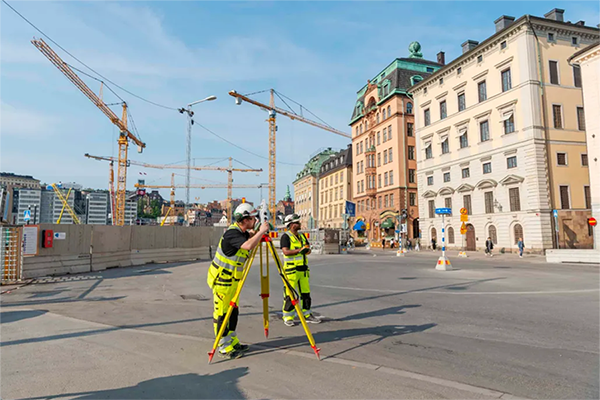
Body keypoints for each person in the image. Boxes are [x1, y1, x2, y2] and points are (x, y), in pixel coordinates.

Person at [206, 203, 269, 359]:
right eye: (253, 218)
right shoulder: (232, 234)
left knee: (233, 312)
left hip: (233, 281)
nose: (255, 220)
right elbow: (247, 246)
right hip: (222, 280)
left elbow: (248, 239)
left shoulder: (241, 233)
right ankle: (222, 346)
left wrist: (257, 233)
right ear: (245, 219)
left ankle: (232, 342)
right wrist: (261, 232)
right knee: (222, 315)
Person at [280, 214, 321, 326]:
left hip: (303, 270)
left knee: (306, 294)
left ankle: (307, 314)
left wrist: (306, 250)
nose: (299, 224)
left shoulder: (302, 236)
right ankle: (288, 317)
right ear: (292, 225)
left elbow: (307, 249)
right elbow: (286, 251)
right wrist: (299, 250)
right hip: (291, 270)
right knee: (290, 295)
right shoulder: (286, 237)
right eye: (297, 223)